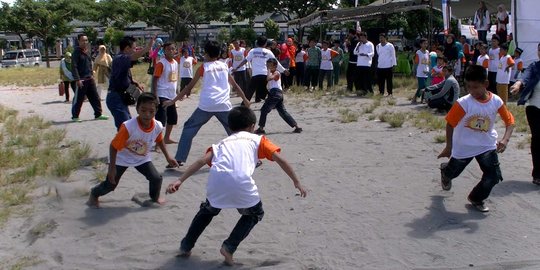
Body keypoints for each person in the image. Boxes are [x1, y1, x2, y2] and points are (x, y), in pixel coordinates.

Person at [166, 106, 307, 266]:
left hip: (217, 182)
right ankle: (229, 246)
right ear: (253, 126)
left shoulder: (221, 143)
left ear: (230, 126)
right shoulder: (258, 140)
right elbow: (281, 160)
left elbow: (201, 161)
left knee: (207, 211)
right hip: (241, 184)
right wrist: (296, 181)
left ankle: (186, 246)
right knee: (255, 213)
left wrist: (180, 180)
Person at [438, 65, 515, 212]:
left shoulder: (496, 101)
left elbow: (510, 122)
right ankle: (445, 171)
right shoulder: (463, 103)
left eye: (475, 87)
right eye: (468, 87)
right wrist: (449, 147)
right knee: (453, 173)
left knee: (493, 176)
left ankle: (476, 198)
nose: (471, 91)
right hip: (464, 147)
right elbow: (450, 124)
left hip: (487, 146)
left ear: (486, 84)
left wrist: (505, 140)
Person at [164, 41, 251, 166]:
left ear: (206, 54)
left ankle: (179, 158)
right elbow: (235, 85)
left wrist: (173, 100)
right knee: (235, 131)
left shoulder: (203, 67)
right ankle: (251, 157)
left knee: (189, 127)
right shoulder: (224, 65)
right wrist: (245, 99)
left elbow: (189, 87)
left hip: (206, 105)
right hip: (223, 105)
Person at [87, 93, 179, 208]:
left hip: (141, 159)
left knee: (156, 178)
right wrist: (112, 168)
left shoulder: (157, 126)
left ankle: (154, 198)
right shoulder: (128, 127)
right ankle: (94, 194)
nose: (147, 114)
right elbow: (113, 146)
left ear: (156, 111)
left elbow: (159, 140)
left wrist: (168, 157)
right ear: (137, 109)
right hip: (122, 158)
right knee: (110, 185)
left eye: (151, 111)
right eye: (143, 110)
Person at [107, 36, 154, 130]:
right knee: (124, 127)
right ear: (127, 48)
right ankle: (119, 144)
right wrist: (147, 48)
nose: (135, 50)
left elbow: (125, 77)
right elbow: (134, 56)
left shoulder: (122, 60)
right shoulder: (120, 58)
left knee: (128, 125)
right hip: (115, 97)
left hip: (120, 97)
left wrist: (135, 83)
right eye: (134, 48)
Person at [510, 43, 540, 185]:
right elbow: (526, 77)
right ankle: (537, 174)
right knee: (538, 139)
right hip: (534, 108)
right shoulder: (535, 67)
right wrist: (518, 84)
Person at [233, 36, 287, 103]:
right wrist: (284, 70)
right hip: (265, 74)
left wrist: (237, 67)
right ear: (265, 44)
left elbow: (245, 60)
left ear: (257, 43)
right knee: (265, 91)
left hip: (255, 75)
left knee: (249, 93)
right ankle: (274, 101)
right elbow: (276, 62)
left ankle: (243, 106)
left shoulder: (253, 51)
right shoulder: (268, 52)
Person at [255, 58, 302, 135]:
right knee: (282, 112)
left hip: (275, 93)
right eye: (267, 65)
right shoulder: (271, 72)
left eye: (270, 65)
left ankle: (261, 129)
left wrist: (268, 71)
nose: (268, 67)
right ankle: (297, 127)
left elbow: (269, 78)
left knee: (264, 110)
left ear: (275, 66)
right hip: (277, 94)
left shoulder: (277, 72)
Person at [71, 34, 109, 122]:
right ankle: (75, 116)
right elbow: (74, 66)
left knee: (95, 97)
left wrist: (92, 74)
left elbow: (89, 64)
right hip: (81, 80)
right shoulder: (76, 52)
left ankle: (98, 114)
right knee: (79, 99)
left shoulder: (87, 51)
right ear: (79, 41)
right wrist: (77, 79)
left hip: (89, 79)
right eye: (83, 40)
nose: (85, 42)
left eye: (86, 40)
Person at [152, 42, 180, 144]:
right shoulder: (161, 63)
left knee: (172, 118)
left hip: (172, 96)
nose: (171, 51)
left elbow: (175, 78)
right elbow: (155, 79)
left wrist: (177, 91)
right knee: (161, 120)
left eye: (173, 49)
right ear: (164, 51)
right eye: (169, 49)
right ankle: (158, 143)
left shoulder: (176, 63)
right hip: (162, 94)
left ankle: (167, 138)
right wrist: (156, 95)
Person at [412, 38, 430, 103]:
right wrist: (414, 70)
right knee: (421, 86)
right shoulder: (418, 52)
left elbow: (428, 61)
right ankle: (415, 97)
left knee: (425, 87)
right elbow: (416, 62)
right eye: (424, 43)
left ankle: (423, 99)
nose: (425, 45)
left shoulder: (427, 52)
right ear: (421, 44)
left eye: (426, 43)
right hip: (420, 72)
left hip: (426, 71)